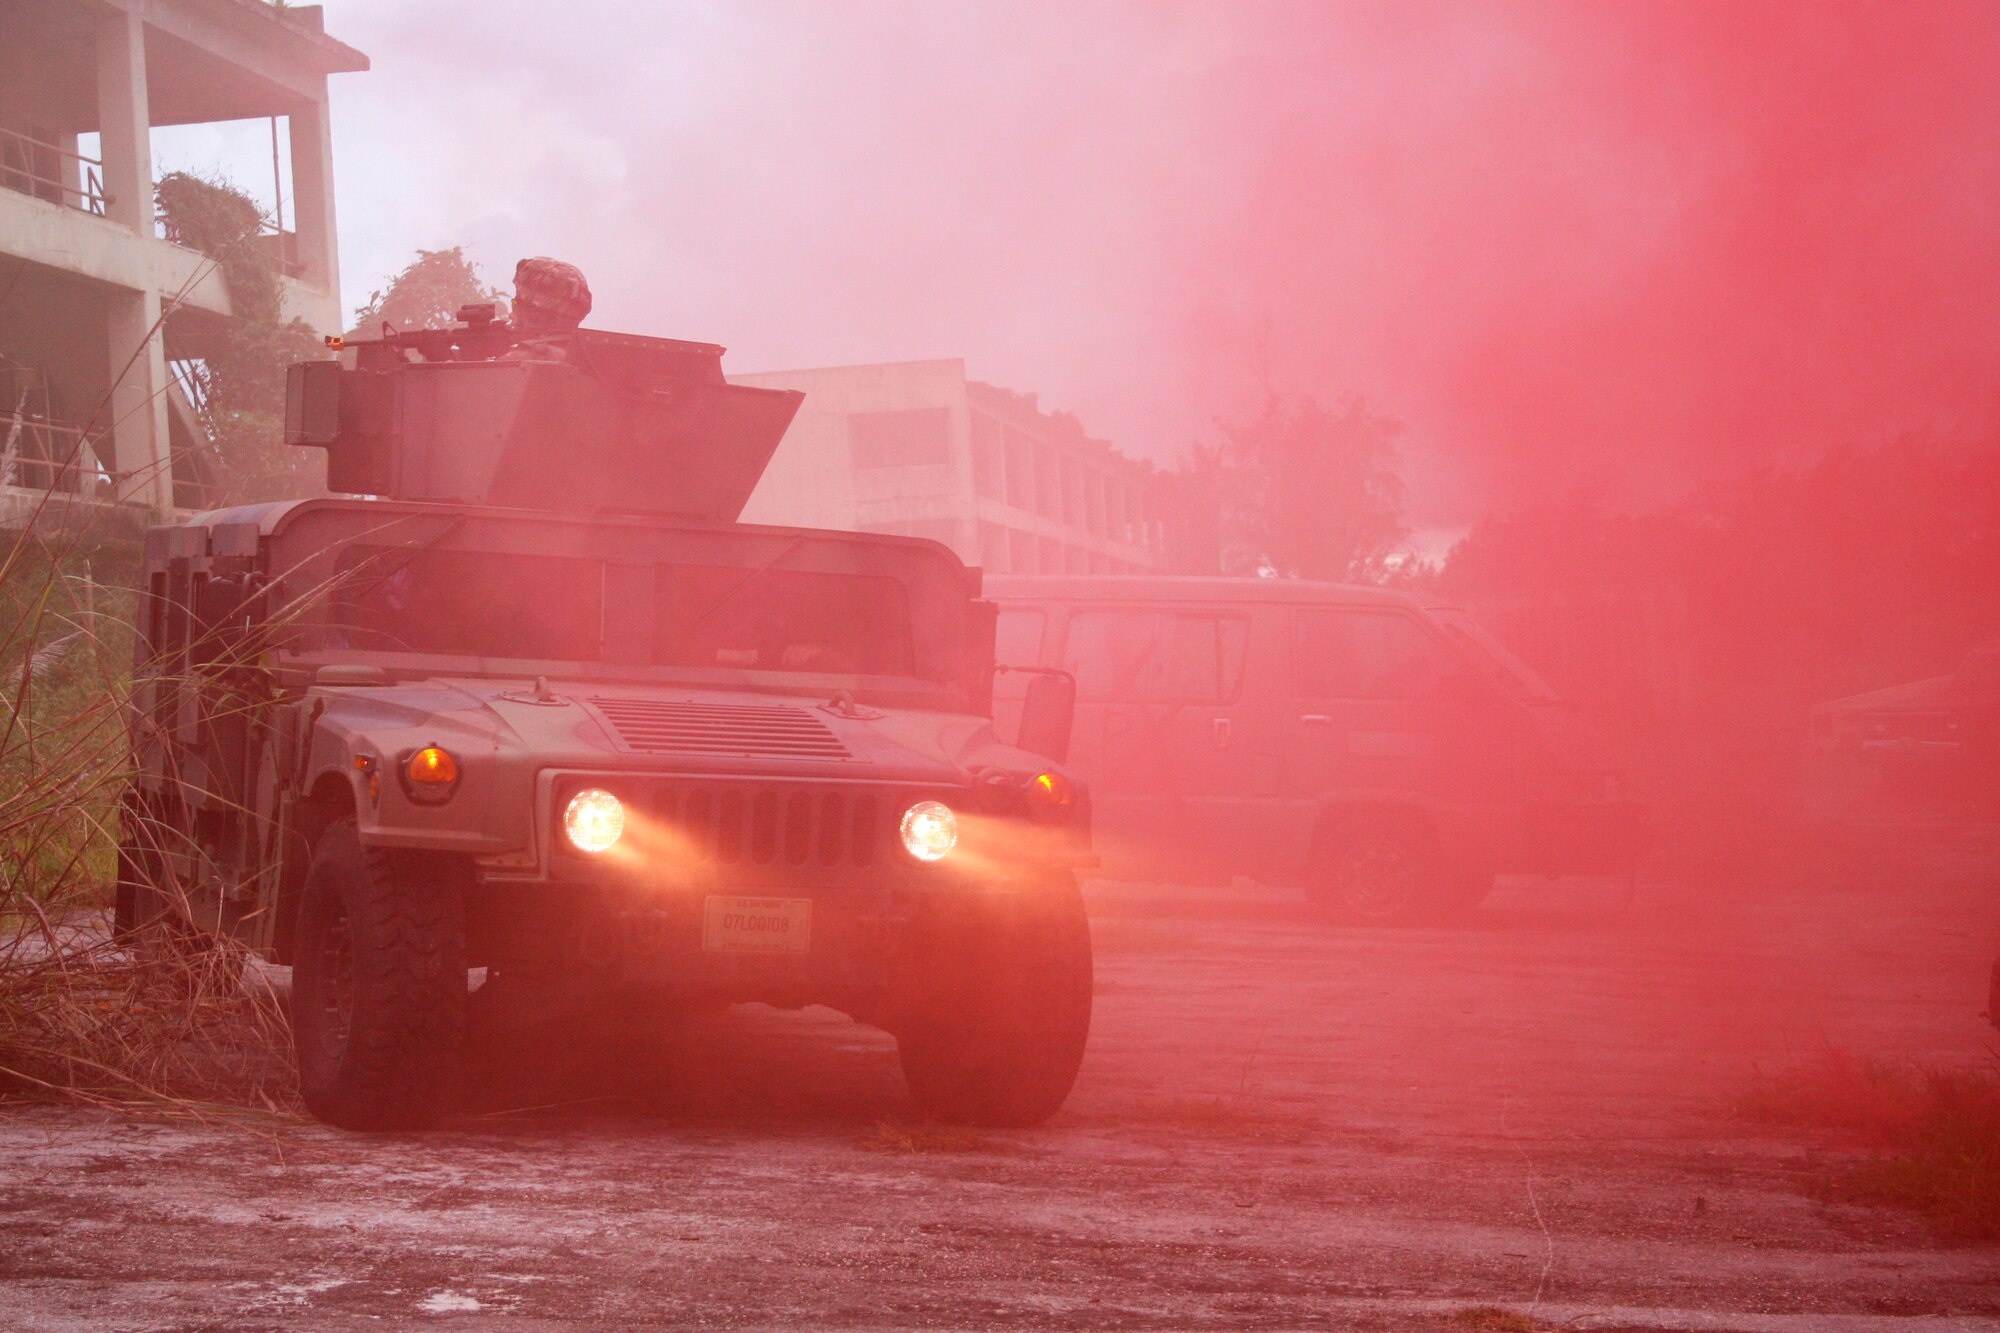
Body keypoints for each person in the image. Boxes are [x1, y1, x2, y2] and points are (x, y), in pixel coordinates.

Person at [507, 257, 592, 357]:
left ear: (535, 314)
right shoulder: (586, 356)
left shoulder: (518, 360)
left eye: (516, 304)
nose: (510, 315)